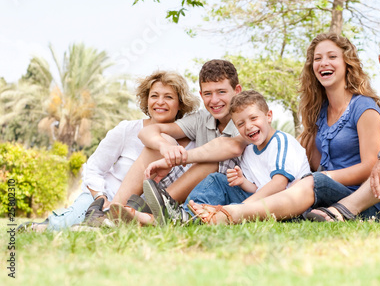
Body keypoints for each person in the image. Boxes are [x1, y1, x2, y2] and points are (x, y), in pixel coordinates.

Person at [191, 32, 380, 224]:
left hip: (365, 200)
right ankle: (189, 213)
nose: (323, 63)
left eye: (332, 57)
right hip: (328, 196)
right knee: (222, 178)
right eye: (318, 58)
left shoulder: (366, 107)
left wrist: (325, 177)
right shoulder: (323, 112)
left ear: (346, 63)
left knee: (313, 182)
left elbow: (369, 163)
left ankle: (233, 214)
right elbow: (310, 162)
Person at [17, 71, 199, 231]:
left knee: (87, 230)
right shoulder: (127, 130)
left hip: (139, 210)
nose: (160, 102)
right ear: (146, 99)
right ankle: (41, 227)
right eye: (154, 96)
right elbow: (93, 168)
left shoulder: (190, 143)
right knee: (64, 226)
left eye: (168, 97)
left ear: (180, 104)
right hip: (103, 199)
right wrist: (101, 197)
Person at [101, 59, 243, 223]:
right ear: (201, 94)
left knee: (211, 160)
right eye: (208, 94)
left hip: (231, 190)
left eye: (221, 92)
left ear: (237, 90)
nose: (214, 100)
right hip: (198, 190)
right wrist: (166, 148)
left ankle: (151, 212)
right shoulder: (202, 119)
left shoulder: (247, 117)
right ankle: (113, 211)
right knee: (160, 142)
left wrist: (181, 157)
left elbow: (231, 147)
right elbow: (148, 131)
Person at [142, 90, 311, 225]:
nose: (248, 126)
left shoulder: (281, 141)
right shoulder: (251, 149)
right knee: (217, 179)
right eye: (241, 124)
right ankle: (186, 214)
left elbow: (280, 184)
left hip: (288, 206)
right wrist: (242, 182)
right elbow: (257, 187)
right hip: (260, 200)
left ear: (268, 116)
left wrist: (239, 208)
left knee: (221, 187)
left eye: (253, 118)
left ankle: (185, 216)